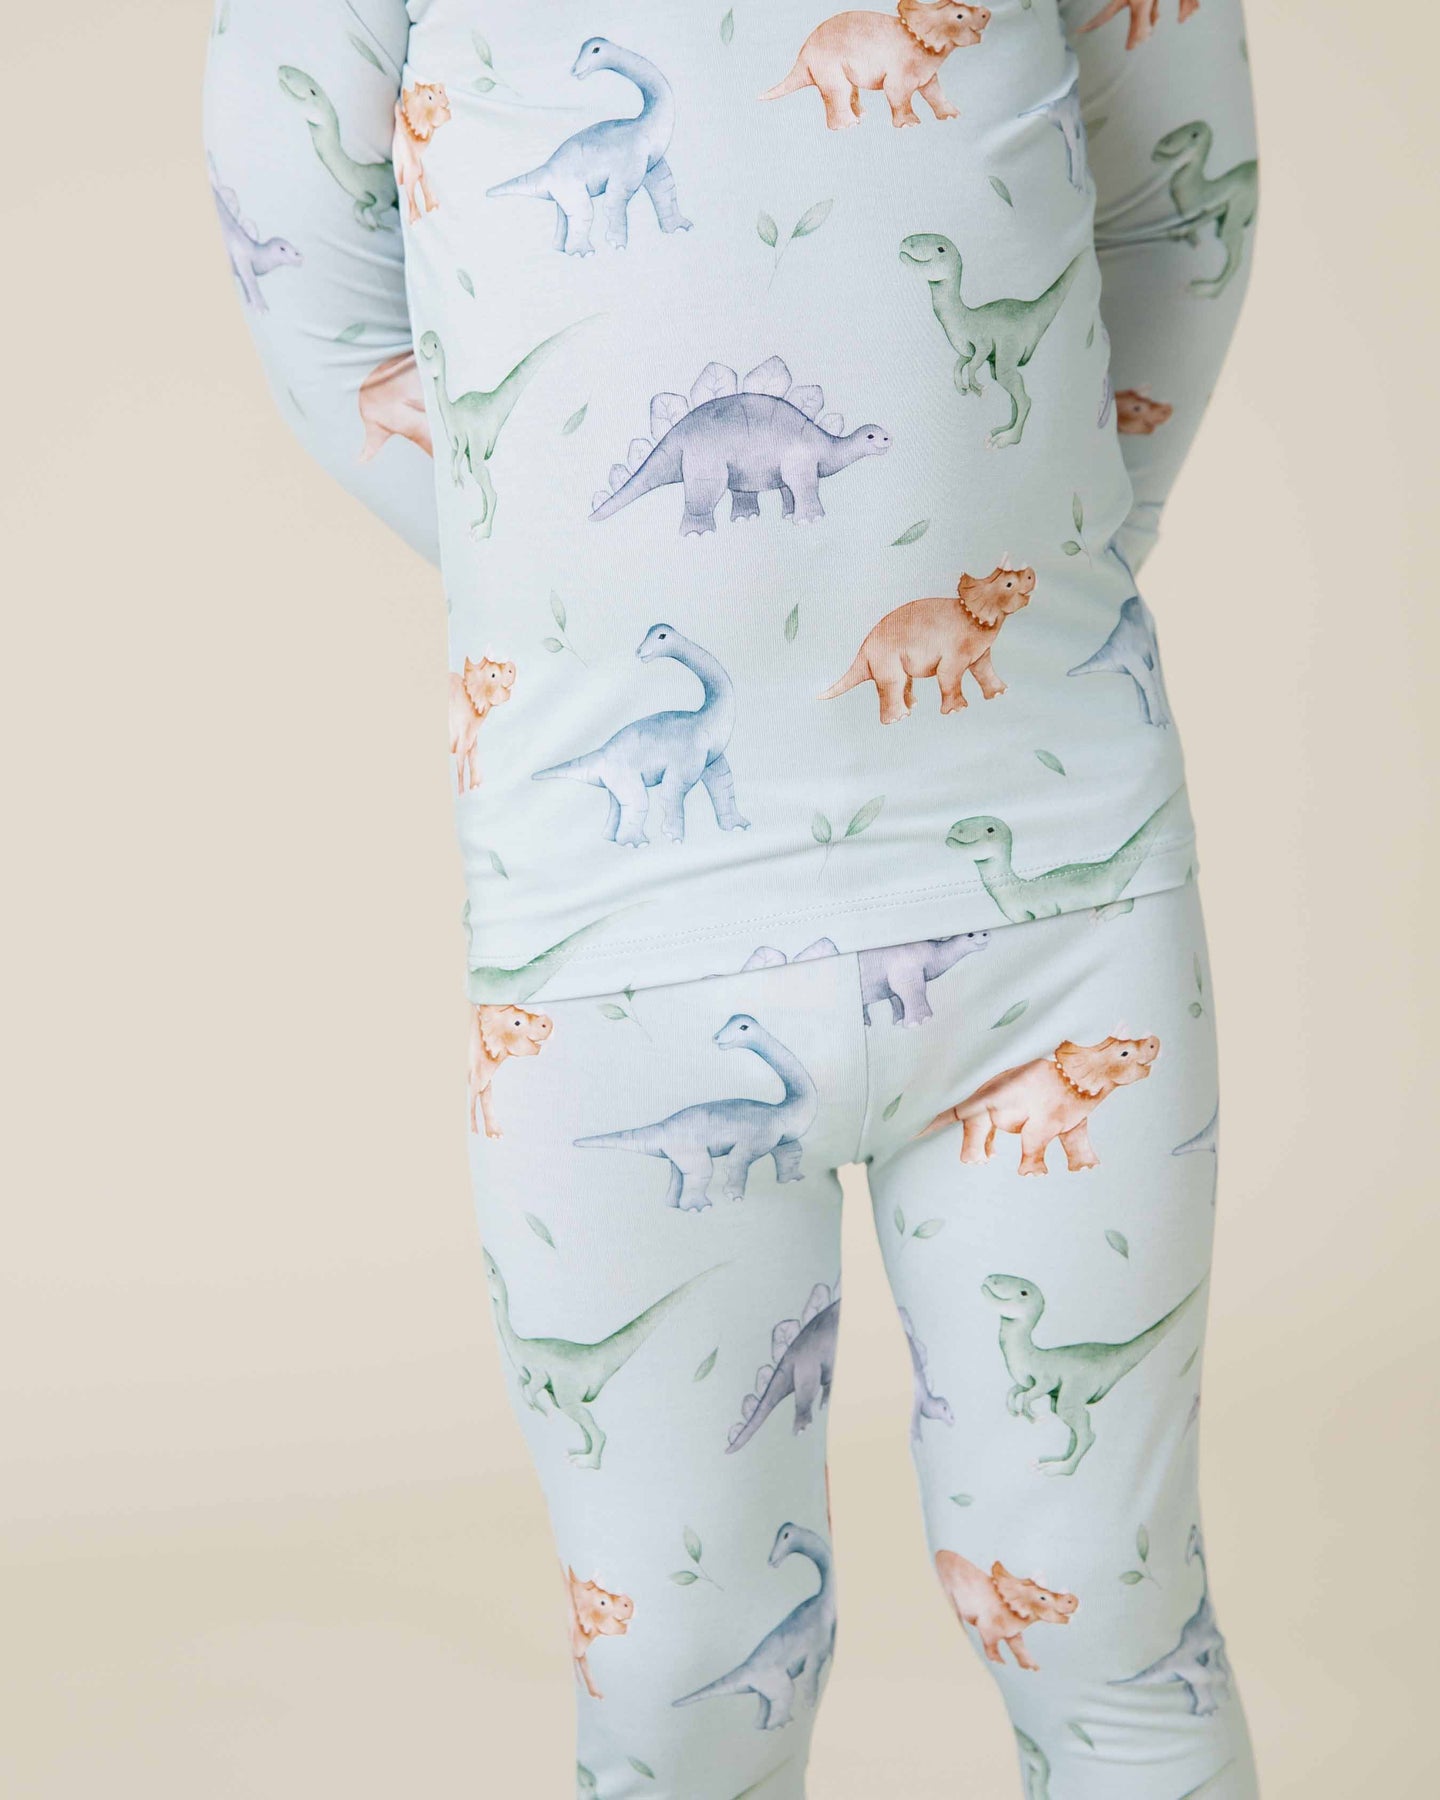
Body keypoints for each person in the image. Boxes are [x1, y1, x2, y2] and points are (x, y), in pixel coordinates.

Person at [204, 1, 1260, 1793]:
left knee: (1103, 1617)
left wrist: (1035, 572)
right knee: (681, 1678)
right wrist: (589, 589)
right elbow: (309, 286)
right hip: (616, 932)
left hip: (1055, 887)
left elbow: (1179, 210)